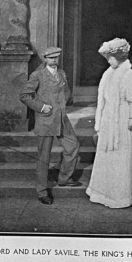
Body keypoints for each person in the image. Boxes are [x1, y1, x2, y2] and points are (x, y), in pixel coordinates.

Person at [86, 38, 132, 209]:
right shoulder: (108, 74)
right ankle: (106, 194)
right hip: (109, 118)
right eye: (108, 58)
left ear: (120, 57)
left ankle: (122, 196)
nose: (109, 61)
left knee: (122, 156)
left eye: (111, 58)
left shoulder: (130, 74)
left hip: (123, 119)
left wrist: (130, 118)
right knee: (108, 156)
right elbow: (103, 99)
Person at [19, 46, 81, 205]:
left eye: (56, 57)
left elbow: (66, 92)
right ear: (45, 59)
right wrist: (41, 107)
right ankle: (42, 192)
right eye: (51, 58)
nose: (54, 60)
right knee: (43, 157)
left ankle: (64, 178)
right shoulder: (37, 75)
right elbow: (24, 95)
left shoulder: (62, 73)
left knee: (73, 146)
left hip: (61, 118)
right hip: (45, 120)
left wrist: (64, 102)